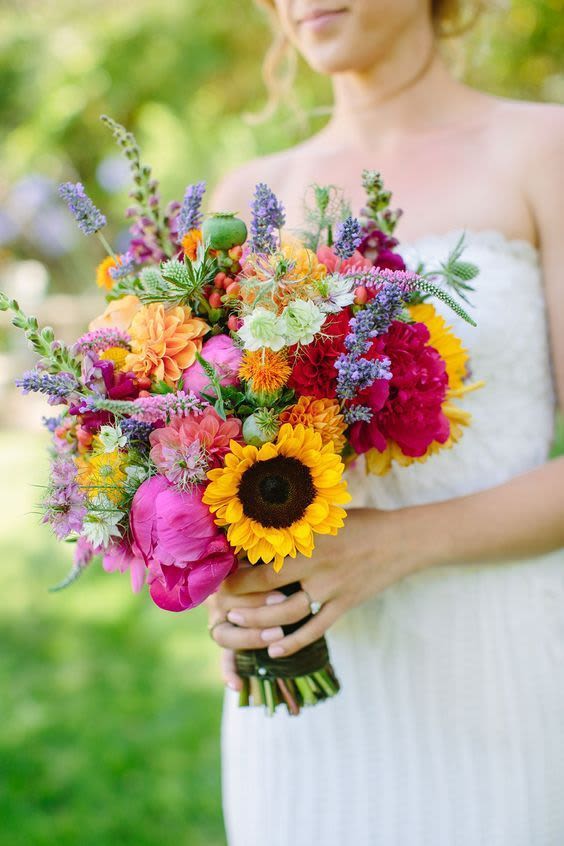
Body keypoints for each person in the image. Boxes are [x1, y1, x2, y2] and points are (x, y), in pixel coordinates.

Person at [206, 2, 564, 843]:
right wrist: (221, 581)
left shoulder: (543, 151)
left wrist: (397, 543)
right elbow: (206, 449)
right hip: (305, 701)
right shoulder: (243, 198)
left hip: (498, 667)